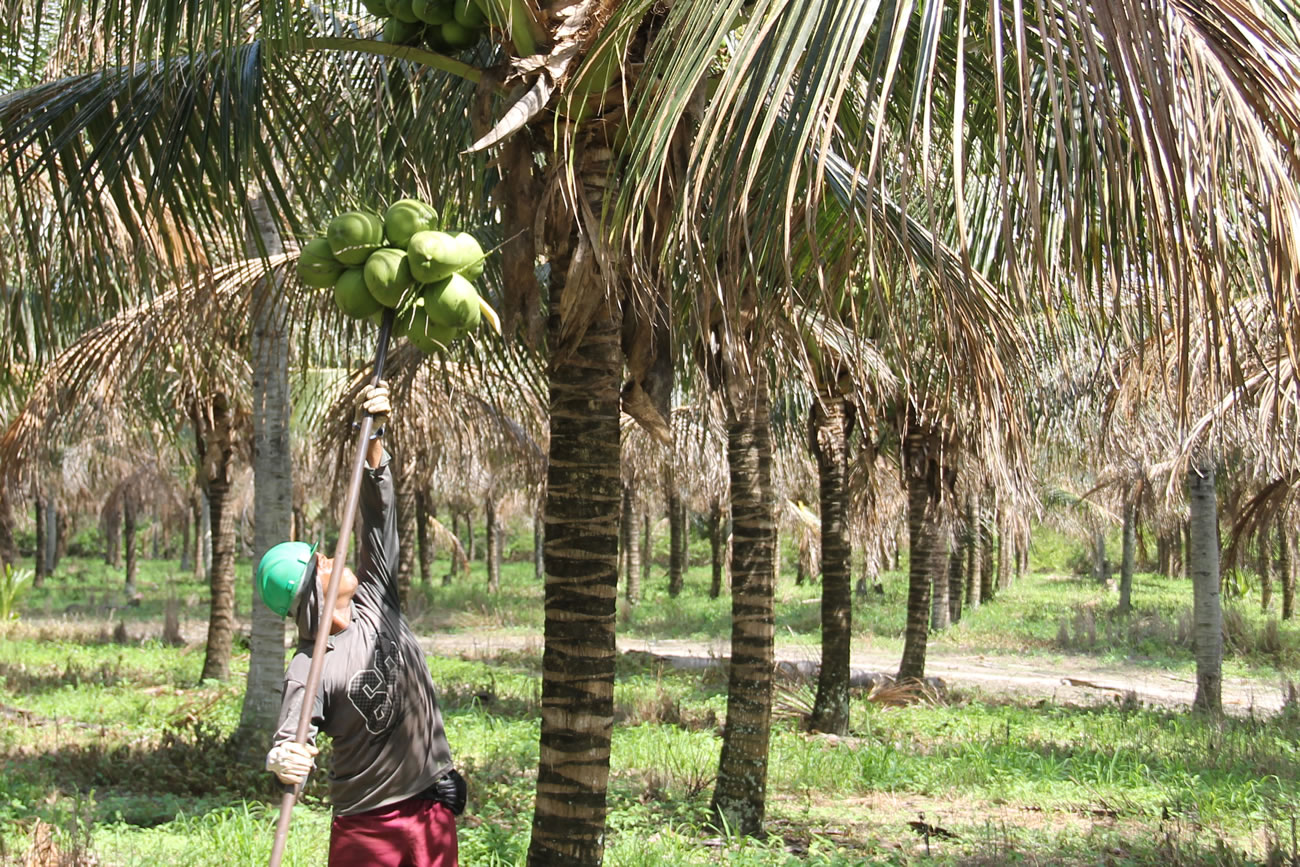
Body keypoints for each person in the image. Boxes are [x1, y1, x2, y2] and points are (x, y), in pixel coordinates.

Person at [256, 382, 464, 867]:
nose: (332, 556)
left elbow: (379, 515)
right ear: (311, 594)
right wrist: (282, 761)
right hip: (367, 826)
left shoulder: (376, 598)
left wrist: (374, 435)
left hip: (432, 803)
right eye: (322, 562)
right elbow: (291, 749)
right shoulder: (309, 669)